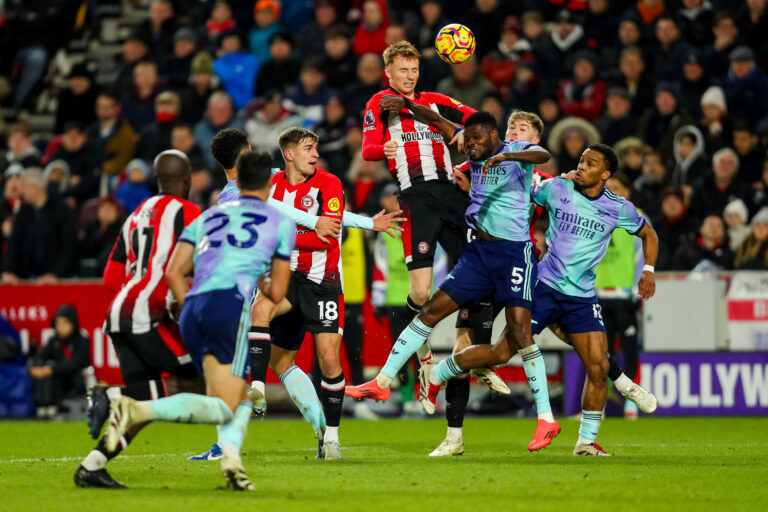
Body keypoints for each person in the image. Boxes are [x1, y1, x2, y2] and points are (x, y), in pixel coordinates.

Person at [189, 127, 404, 461]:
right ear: (246, 153)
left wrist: (362, 223)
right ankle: (319, 431)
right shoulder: (246, 190)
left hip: (284, 279)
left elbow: (325, 217)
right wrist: (317, 223)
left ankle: (231, 440)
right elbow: (286, 217)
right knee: (279, 359)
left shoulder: (267, 180)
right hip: (273, 277)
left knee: (235, 362)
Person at [349, 112, 559, 451]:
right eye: (469, 140)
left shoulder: (522, 156)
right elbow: (444, 126)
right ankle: (385, 381)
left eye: (478, 139)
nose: (471, 144)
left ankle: (546, 418)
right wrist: (408, 105)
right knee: (430, 312)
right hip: (477, 256)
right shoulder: (472, 156)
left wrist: (506, 155)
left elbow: (542, 156)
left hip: (514, 256)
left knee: (519, 335)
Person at [103, 150, 295, 491]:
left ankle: (232, 462)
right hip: (229, 306)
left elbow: (176, 272)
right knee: (228, 404)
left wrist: (186, 304)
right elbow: (278, 292)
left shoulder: (209, 216)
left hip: (193, 308)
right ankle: (136, 410)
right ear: (269, 183)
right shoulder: (280, 221)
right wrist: (262, 281)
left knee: (225, 394)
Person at [73, 150, 204, 488]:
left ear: (157, 180)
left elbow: (109, 277)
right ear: (186, 181)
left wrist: (140, 290)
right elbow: (202, 267)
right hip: (149, 314)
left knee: (142, 402)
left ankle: (93, 465)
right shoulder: (190, 212)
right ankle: (110, 395)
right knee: (198, 383)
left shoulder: (134, 216)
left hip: (119, 312)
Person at [524, 143, 658, 455]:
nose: (582, 165)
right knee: (508, 346)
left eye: (591, 162)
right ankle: (444, 370)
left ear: (606, 174)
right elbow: (527, 192)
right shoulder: (560, 188)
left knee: (598, 365)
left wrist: (648, 270)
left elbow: (649, 234)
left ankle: (586, 442)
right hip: (546, 284)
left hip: (587, 295)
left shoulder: (619, 208)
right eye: (582, 160)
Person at [2, 169, 78, 284]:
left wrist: (54, 274)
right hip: (31, 278)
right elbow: (14, 243)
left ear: (35, 188)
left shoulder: (62, 209)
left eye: (23, 186)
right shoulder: (24, 210)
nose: (20, 191)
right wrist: (8, 271)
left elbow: (70, 246)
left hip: (61, 279)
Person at [28, 305, 89, 419]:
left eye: (64, 324)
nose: (60, 327)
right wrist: (36, 368)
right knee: (45, 370)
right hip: (57, 382)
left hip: (75, 383)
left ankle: (54, 407)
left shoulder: (82, 341)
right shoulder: (54, 341)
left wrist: (52, 370)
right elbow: (41, 356)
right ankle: (44, 406)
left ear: (73, 324)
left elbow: (75, 364)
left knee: (52, 370)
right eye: (58, 324)